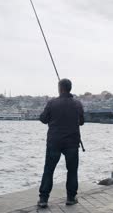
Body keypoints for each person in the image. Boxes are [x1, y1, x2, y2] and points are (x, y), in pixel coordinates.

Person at [37, 79, 84, 208]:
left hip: (54, 141)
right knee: (72, 170)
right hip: (72, 142)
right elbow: (81, 122)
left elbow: (43, 118)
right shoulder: (77, 104)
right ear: (70, 88)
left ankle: (43, 199)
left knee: (49, 169)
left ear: (60, 88)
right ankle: (70, 198)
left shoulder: (52, 103)